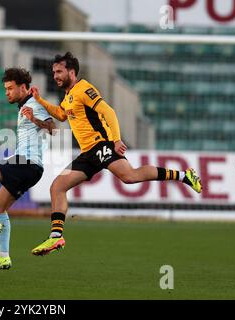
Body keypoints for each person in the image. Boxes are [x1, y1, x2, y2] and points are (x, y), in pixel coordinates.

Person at [25, 52, 202, 256]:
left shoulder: (84, 89)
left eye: (59, 71)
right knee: (57, 186)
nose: (55, 75)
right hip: (87, 154)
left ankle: (184, 176)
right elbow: (62, 115)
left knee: (130, 176)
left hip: (102, 146)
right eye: (53, 72)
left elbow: (108, 111)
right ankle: (56, 238)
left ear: (71, 72)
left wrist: (116, 139)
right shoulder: (69, 95)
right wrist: (39, 100)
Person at [0, 67, 55, 271]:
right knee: (0, 207)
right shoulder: (24, 105)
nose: (6, 92)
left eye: (10, 88)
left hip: (25, 161)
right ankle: (3, 256)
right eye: (5, 89)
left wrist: (35, 119)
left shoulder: (35, 103)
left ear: (23, 87)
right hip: (32, 168)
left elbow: (53, 129)